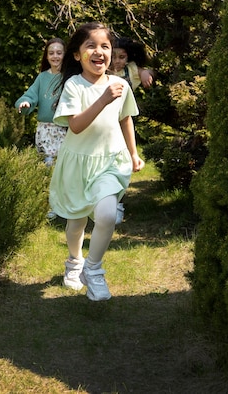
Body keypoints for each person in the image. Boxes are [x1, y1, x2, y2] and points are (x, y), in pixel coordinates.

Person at [49, 22, 144, 301]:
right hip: (78, 164)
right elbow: (76, 125)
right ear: (78, 55)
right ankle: (74, 262)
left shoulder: (120, 85)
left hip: (110, 163)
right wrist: (102, 100)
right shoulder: (73, 85)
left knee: (106, 215)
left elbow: (125, 118)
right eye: (91, 45)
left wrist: (134, 153)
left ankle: (93, 268)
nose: (99, 51)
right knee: (76, 223)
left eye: (105, 46)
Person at [109, 36, 154, 223]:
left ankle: (117, 203)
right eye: (113, 56)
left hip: (123, 121)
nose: (116, 61)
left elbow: (148, 70)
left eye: (121, 57)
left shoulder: (131, 71)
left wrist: (146, 73)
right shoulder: (100, 71)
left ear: (128, 58)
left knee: (121, 162)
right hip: (102, 122)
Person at [15, 38, 67, 167]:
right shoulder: (42, 77)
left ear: (65, 55)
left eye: (59, 53)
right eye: (51, 53)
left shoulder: (71, 77)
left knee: (64, 166)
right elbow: (30, 95)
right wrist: (25, 102)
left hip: (66, 130)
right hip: (46, 131)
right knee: (48, 166)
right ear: (46, 56)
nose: (55, 56)